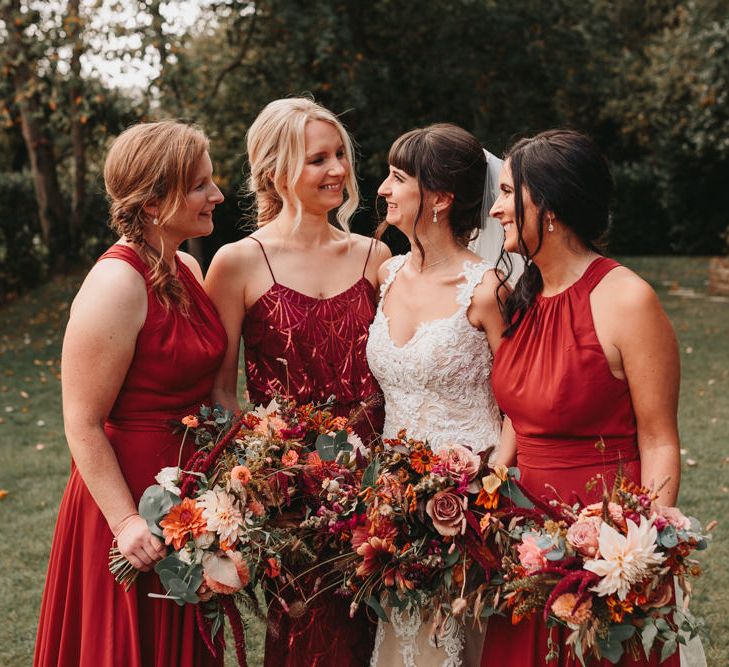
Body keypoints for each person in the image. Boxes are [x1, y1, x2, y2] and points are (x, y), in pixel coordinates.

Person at [481, 129, 681, 667]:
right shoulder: (523, 297)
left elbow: (659, 438)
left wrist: (637, 553)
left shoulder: (626, 299)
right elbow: (518, 423)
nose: (496, 209)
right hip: (526, 541)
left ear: (547, 205)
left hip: (601, 541)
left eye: (507, 194)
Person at [204, 97, 390, 667]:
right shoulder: (237, 263)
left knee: (381, 637)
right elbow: (218, 392)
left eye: (340, 155)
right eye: (317, 159)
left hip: (378, 496)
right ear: (275, 171)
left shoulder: (377, 257)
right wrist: (263, 478)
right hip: (290, 505)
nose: (337, 170)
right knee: (307, 643)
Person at [34, 121, 227, 667]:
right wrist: (125, 522)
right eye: (199, 185)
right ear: (154, 200)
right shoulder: (116, 284)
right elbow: (81, 421)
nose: (216, 194)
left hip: (187, 493)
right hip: (127, 501)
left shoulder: (187, 265)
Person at [366, 123, 507, 667]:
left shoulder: (487, 289)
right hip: (391, 505)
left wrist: (487, 492)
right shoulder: (387, 272)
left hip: (470, 508)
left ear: (441, 198)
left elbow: (518, 402)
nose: (383, 189)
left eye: (398, 178)